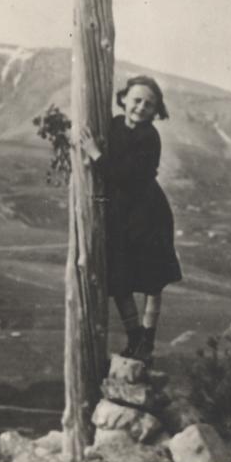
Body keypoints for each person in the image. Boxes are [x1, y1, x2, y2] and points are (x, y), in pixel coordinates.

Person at [80, 75, 182, 363]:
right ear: (124, 98)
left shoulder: (149, 138)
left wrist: (96, 155)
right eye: (137, 100)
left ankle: (147, 340)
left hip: (148, 215)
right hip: (121, 215)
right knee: (120, 280)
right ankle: (135, 336)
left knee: (152, 280)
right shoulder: (113, 125)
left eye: (149, 104)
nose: (141, 107)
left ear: (156, 110)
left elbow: (125, 176)